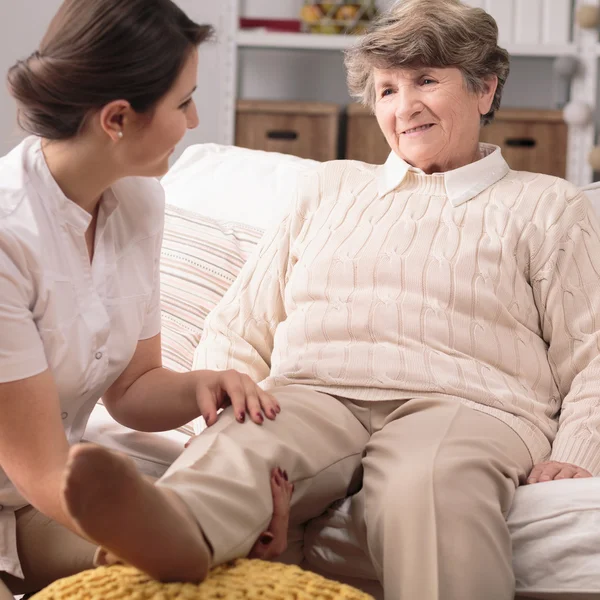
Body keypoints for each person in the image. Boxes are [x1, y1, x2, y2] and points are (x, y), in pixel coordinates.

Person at [60, 0, 600, 598]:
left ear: (484, 89)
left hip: (469, 404)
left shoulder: (551, 206)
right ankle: (172, 532)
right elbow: (243, 323)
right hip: (313, 390)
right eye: (387, 90)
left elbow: (593, 349)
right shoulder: (328, 187)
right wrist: (219, 418)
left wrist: (579, 448)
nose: (405, 105)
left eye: (426, 80)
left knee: (429, 484)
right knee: (245, 453)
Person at [0, 0, 292, 595]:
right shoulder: (8, 238)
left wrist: (201, 385)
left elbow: (131, 388)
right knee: (189, 565)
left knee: (230, 576)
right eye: (183, 101)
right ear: (117, 119)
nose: (195, 120)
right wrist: (192, 537)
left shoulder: (136, 201)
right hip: (40, 485)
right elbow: (41, 470)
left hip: (41, 502)